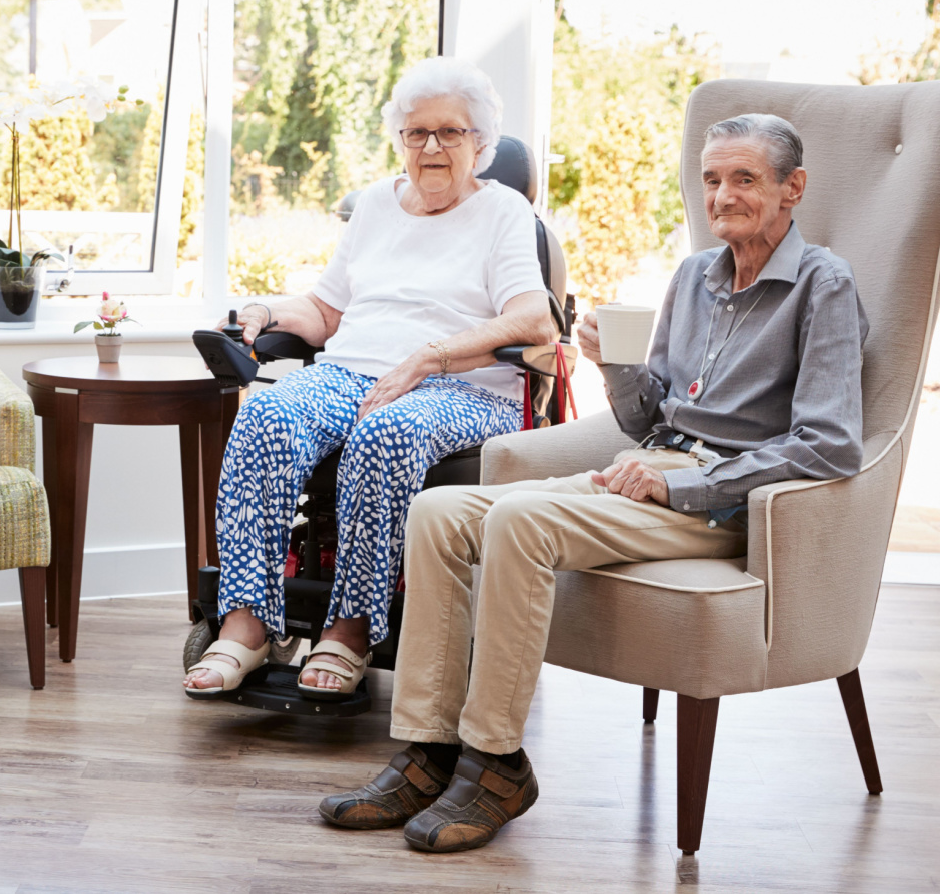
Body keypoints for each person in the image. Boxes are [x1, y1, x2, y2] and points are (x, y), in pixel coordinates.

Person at [318, 113, 868, 853]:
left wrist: (684, 487)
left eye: (744, 179)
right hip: (654, 467)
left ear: (792, 188)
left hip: (726, 498)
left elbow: (830, 444)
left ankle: (495, 764)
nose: (722, 196)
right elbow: (651, 419)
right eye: (711, 179)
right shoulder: (694, 277)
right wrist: (614, 365)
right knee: (441, 512)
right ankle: (428, 752)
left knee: (520, 522)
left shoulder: (823, 285)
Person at [183, 57, 556, 701]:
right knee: (266, 413)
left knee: (386, 431)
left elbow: (534, 319)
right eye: (417, 133)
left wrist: (429, 357)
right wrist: (265, 311)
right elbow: (327, 313)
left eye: (451, 132)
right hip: (353, 372)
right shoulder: (376, 206)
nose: (432, 146)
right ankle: (247, 625)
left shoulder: (504, 213)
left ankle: (351, 629)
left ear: (482, 144)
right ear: (400, 140)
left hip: (464, 388)